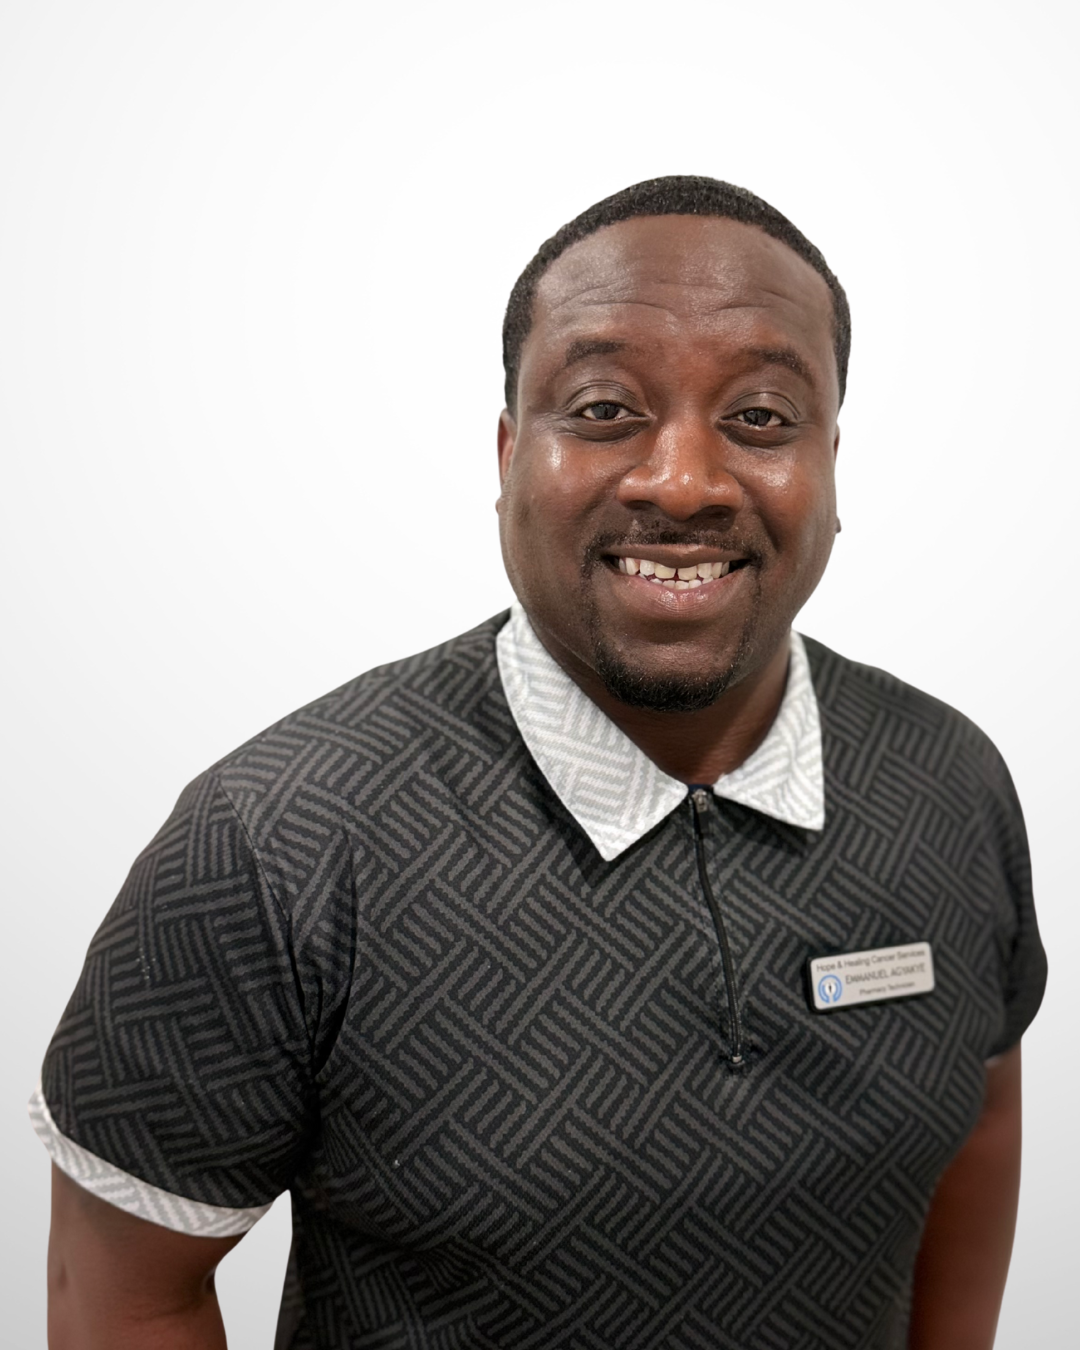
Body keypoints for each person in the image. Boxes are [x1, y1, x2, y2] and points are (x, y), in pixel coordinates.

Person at [34, 176, 1046, 1350]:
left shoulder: (948, 782)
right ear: (512, 451)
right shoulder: (274, 843)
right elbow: (123, 1294)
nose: (683, 482)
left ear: (831, 462)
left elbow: (976, 1122)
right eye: (605, 408)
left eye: (762, 417)